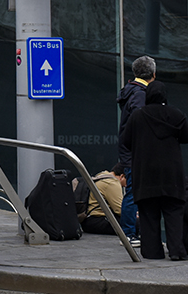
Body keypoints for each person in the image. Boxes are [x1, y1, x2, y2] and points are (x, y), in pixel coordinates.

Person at [120, 81, 188, 260]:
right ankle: (177, 251)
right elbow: (186, 135)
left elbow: (126, 141)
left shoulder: (137, 116)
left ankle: (152, 252)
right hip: (172, 175)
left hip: (146, 175)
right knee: (174, 214)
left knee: (148, 215)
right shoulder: (176, 114)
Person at [116, 55, 155, 240]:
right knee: (133, 193)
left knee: (133, 191)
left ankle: (131, 232)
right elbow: (140, 122)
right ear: (153, 74)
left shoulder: (130, 91)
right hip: (136, 152)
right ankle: (129, 234)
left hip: (129, 150)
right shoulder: (140, 94)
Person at [79, 163, 126, 235]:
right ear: (122, 176)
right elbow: (120, 209)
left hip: (88, 221)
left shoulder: (101, 176)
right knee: (136, 223)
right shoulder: (111, 183)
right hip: (98, 221)